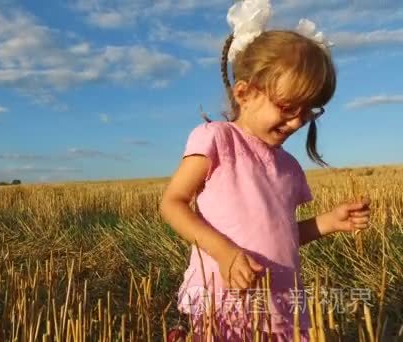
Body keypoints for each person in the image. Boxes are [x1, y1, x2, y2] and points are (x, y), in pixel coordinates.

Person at [159, 0, 371, 340]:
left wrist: (329, 223)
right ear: (244, 93)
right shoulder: (216, 139)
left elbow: (281, 236)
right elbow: (172, 203)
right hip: (226, 301)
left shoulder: (288, 167)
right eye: (287, 107)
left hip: (279, 306)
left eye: (308, 111)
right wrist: (224, 253)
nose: (297, 121)